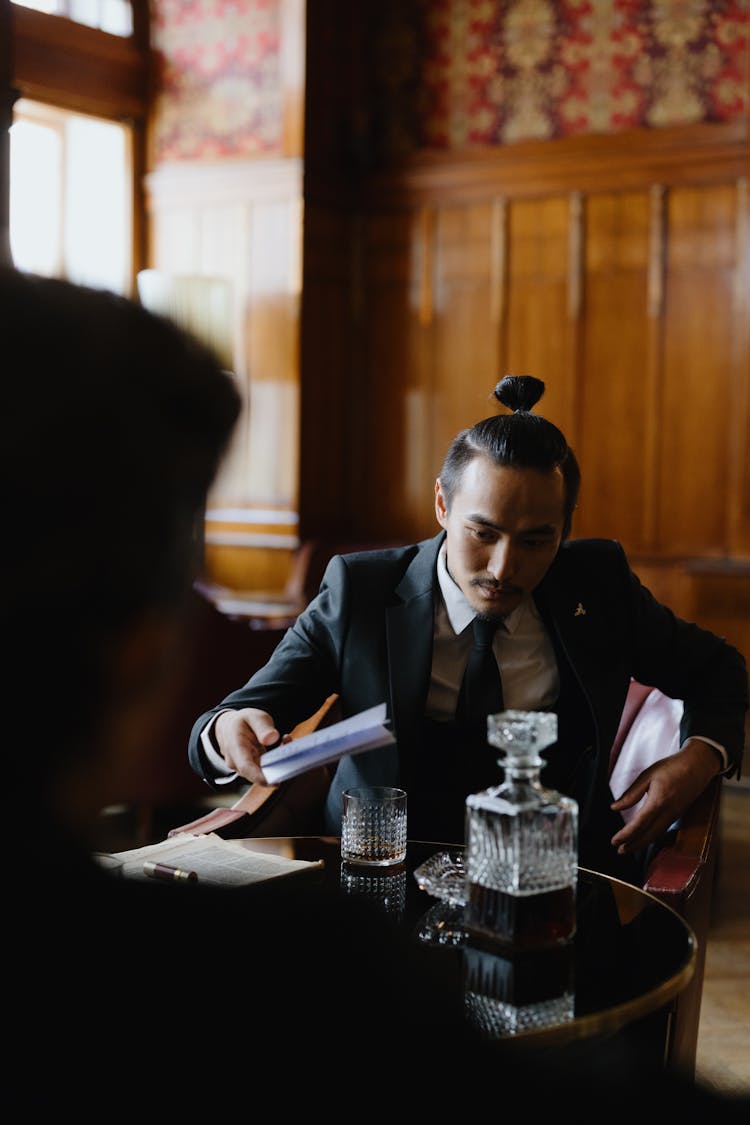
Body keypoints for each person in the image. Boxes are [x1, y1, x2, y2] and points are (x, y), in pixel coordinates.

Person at [189, 375, 747, 885]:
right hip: (377, 872)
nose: (504, 569)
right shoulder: (362, 590)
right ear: (441, 504)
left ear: (565, 529)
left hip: (553, 877)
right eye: (483, 532)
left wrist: (699, 756)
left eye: (535, 541)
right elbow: (237, 714)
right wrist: (227, 732)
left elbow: (720, 670)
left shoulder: (597, 585)